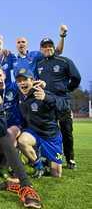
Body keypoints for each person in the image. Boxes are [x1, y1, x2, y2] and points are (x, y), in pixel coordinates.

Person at [36, 38, 81, 169]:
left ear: (54, 47)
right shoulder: (40, 63)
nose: (47, 48)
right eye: (44, 46)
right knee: (48, 132)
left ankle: (70, 158)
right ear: (41, 49)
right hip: (47, 103)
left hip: (62, 102)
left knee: (66, 131)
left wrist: (68, 89)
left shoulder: (64, 61)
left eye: (50, 46)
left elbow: (76, 77)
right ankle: (49, 158)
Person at [16, 67, 68, 178]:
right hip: (34, 133)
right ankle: (39, 166)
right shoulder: (21, 96)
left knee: (56, 174)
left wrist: (46, 98)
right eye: (19, 81)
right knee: (22, 140)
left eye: (25, 80)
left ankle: (45, 159)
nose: (22, 83)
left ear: (32, 80)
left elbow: (64, 104)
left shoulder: (42, 93)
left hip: (51, 136)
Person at [0, 65, 22, 145]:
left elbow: (27, 86)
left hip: (16, 125)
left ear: (4, 75)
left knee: (9, 136)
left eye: (0, 75)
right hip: (0, 127)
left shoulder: (13, 87)